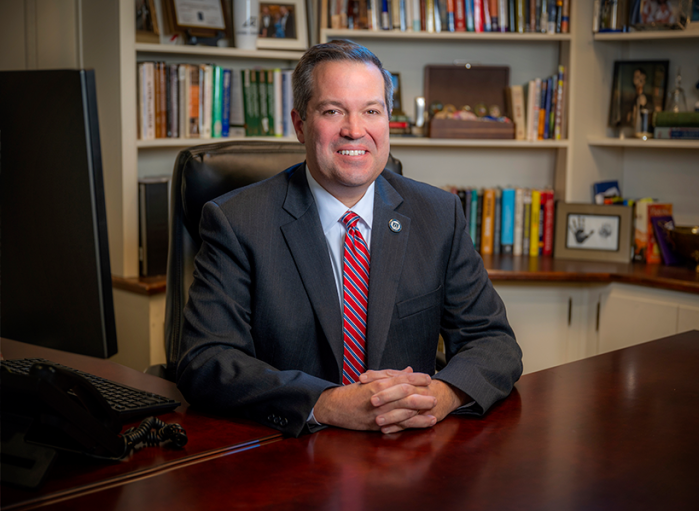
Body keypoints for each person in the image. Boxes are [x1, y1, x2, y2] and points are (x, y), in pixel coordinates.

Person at [176, 40, 523, 438]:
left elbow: (494, 342)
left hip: (406, 451)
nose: (355, 130)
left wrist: (441, 395)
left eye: (371, 111)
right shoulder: (237, 222)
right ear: (300, 124)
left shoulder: (438, 214)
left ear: (388, 121)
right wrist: (324, 404)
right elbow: (205, 360)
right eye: (333, 111)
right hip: (290, 454)